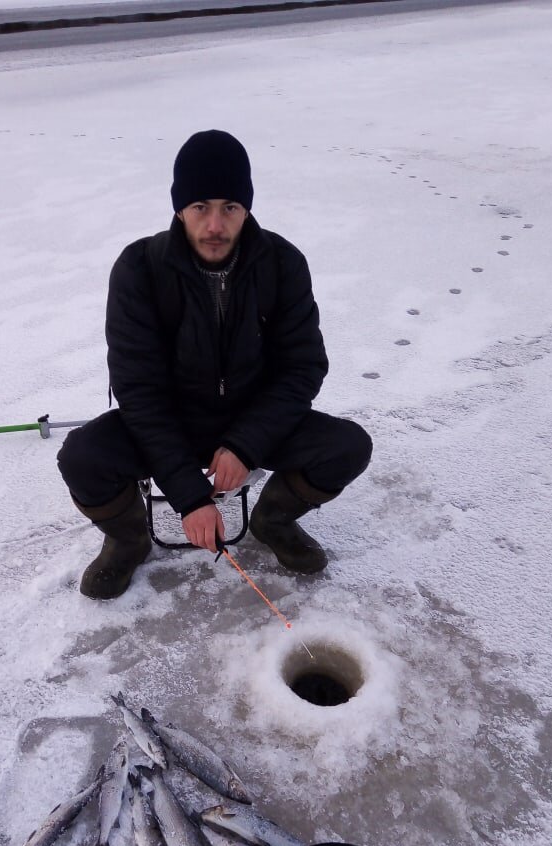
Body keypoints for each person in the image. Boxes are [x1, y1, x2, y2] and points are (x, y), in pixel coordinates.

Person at [57, 130, 372, 600]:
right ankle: (128, 540)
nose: (215, 226)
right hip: (168, 422)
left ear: (247, 208)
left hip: (253, 420)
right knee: (82, 457)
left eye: (230, 207)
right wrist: (189, 496)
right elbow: (139, 391)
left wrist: (246, 444)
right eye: (200, 207)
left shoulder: (283, 264)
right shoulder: (139, 269)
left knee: (348, 446)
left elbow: (302, 368)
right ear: (179, 208)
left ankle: (273, 521)